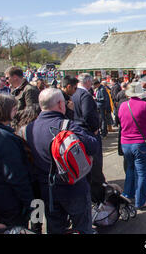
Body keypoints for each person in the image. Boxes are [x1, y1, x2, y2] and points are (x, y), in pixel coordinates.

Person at [24, 89, 99, 234]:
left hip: (47, 189)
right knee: (82, 227)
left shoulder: (28, 129)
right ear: (60, 104)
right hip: (73, 186)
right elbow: (93, 146)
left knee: (55, 227)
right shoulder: (66, 125)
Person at [0, 94, 35, 227]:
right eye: (13, 108)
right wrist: (29, 202)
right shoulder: (4, 138)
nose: (16, 111)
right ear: (3, 111)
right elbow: (15, 174)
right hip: (10, 200)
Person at [117, 82, 146, 209]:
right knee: (141, 173)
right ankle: (140, 201)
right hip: (141, 143)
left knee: (130, 169)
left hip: (125, 143)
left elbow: (120, 121)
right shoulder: (145, 105)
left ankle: (127, 194)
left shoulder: (123, 106)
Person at [72, 73, 105, 204]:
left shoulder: (74, 94)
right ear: (88, 82)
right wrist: (95, 128)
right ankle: (98, 197)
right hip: (88, 133)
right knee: (95, 164)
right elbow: (87, 114)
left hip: (78, 132)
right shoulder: (85, 95)